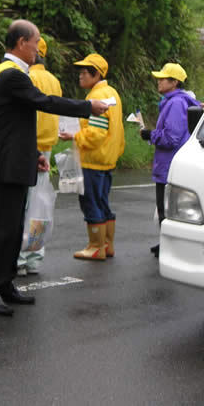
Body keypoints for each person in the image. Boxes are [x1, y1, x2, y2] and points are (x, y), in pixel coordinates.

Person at [0, 20, 108, 316]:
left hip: (13, 161)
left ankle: (5, 284)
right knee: (2, 231)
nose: (38, 49)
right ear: (22, 43)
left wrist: (33, 152)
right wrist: (89, 108)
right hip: (3, 167)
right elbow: (45, 102)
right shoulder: (11, 75)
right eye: (36, 43)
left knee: (12, 230)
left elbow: (13, 122)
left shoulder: (11, 74)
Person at [59, 53, 125, 261]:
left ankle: (96, 247)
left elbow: (96, 133)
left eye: (84, 73)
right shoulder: (111, 92)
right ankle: (107, 245)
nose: (80, 77)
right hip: (106, 159)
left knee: (90, 202)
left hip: (93, 160)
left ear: (96, 74)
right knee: (102, 201)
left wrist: (74, 136)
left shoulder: (98, 97)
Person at [140, 63, 200, 258]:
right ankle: (168, 244)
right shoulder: (178, 101)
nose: (159, 81)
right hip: (172, 163)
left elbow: (171, 137)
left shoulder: (175, 103)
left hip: (169, 164)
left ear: (174, 82)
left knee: (166, 207)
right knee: (169, 207)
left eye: (163, 79)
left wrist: (151, 135)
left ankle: (171, 247)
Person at [16, 37, 62, 276]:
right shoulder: (54, 80)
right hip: (48, 146)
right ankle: (35, 257)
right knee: (39, 205)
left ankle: (20, 259)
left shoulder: (27, 78)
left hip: (29, 148)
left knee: (24, 205)